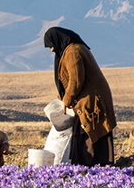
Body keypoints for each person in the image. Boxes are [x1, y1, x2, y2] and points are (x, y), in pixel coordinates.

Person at [43, 27, 116, 167]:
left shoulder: (73, 52)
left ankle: (92, 167)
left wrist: (67, 99)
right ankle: (93, 167)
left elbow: (76, 80)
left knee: (90, 131)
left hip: (91, 102)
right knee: (88, 130)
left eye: (51, 45)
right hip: (87, 100)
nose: (52, 49)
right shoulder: (73, 50)